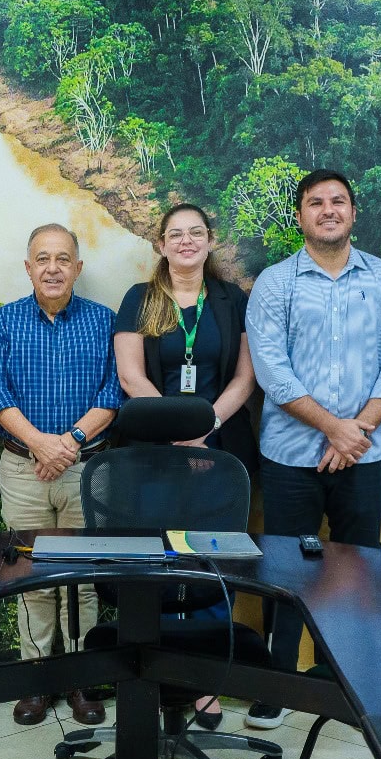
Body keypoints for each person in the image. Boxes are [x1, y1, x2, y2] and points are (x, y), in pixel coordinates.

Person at [245, 168, 381, 728]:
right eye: (315, 203)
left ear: (353, 212)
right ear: (300, 215)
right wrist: (333, 428)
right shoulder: (275, 282)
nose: (328, 210)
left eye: (338, 201)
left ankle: (341, 679)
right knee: (286, 570)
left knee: (355, 565)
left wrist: (356, 431)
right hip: (290, 454)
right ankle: (276, 684)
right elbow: (272, 369)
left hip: (362, 457)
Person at [113, 202, 257, 729]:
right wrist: (177, 428)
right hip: (154, 452)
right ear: (160, 244)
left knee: (212, 562)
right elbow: (131, 377)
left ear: (210, 240)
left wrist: (204, 428)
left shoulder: (230, 299)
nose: (186, 242)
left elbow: (245, 377)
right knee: (159, 562)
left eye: (196, 233)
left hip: (218, 452)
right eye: (175, 234)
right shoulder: (140, 298)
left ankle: (205, 682)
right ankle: (157, 672)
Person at [0, 223, 122, 727]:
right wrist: (42, 444)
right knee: (30, 577)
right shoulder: (3, 322)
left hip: (87, 470)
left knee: (83, 580)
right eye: (42, 258)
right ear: (28, 267)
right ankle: (36, 680)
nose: (53, 268)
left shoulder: (105, 322)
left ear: (78, 268)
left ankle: (82, 680)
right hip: (24, 468)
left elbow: (113, 393)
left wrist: (69, 444)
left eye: (63, 258)